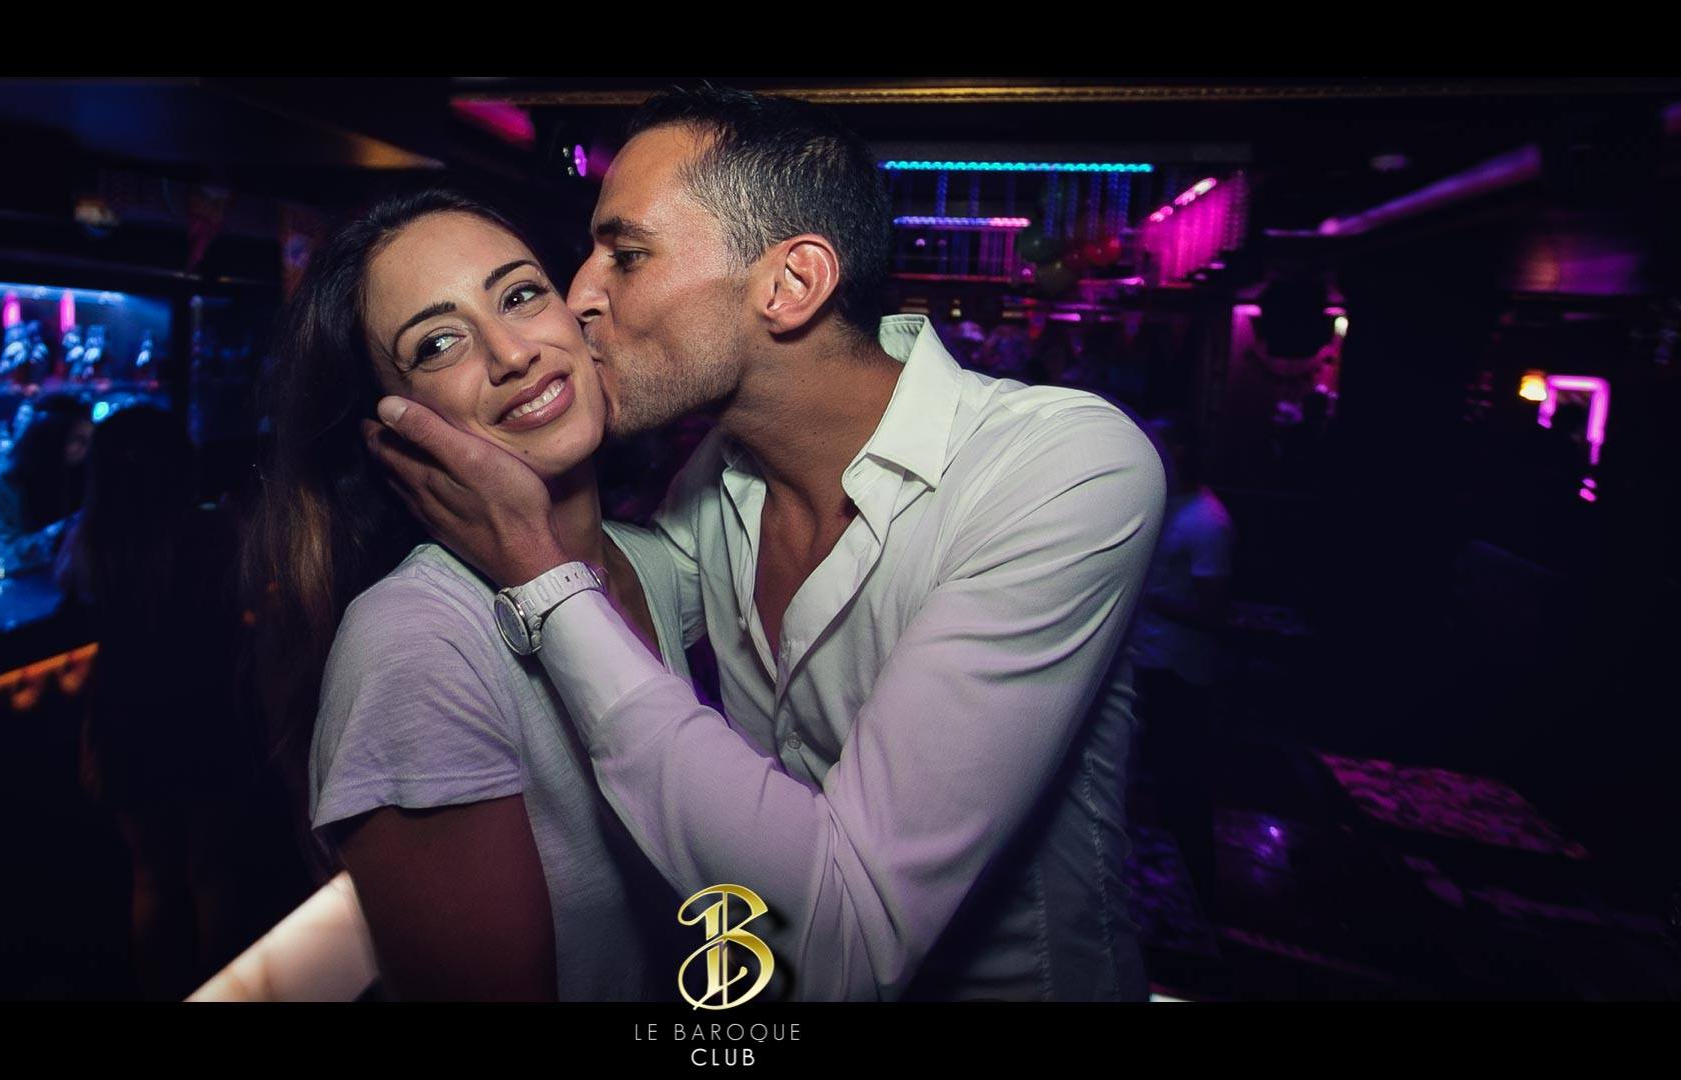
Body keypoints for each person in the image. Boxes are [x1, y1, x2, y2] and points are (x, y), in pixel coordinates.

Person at [367, 86, 1166, 1001]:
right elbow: (613, 593)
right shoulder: (711, 490)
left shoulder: (1059, 467)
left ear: (790, 285)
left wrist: (537, 570)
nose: (578, 296)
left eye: (626, 255)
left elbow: (848, 940)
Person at [244, 188, 688, 1001]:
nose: (512, 353)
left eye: (520, 295)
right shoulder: (414, 643)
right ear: (392, 428)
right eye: (439, 343)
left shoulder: (662, 563)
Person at [56, 405, 311, 1000]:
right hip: (206, 712)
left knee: (150, 877)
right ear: (179, 464)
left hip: (126, 718)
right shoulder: (217, 533)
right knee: (211, 873)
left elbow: (84, 611)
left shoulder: (91, 542)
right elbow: (260, 608)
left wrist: (90, 731)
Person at [1128, 412, 1236, 916]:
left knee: (1182, 785)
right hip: (1151, 660)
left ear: (1183, 452)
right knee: (1140, 783)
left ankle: (1201, 904)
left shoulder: (1207, 521)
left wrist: (1141, 595)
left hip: (1181, 669)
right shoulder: (1168, 503)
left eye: (1163, 444)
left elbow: (1214, 613)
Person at [0, 395, 90, 578]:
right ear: (54, 437)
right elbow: (1, 555)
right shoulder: (7, 479)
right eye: (79, 440)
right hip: (18, 585)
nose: (87, 449)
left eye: (90, 441)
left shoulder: (83, 475)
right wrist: (58, 534)